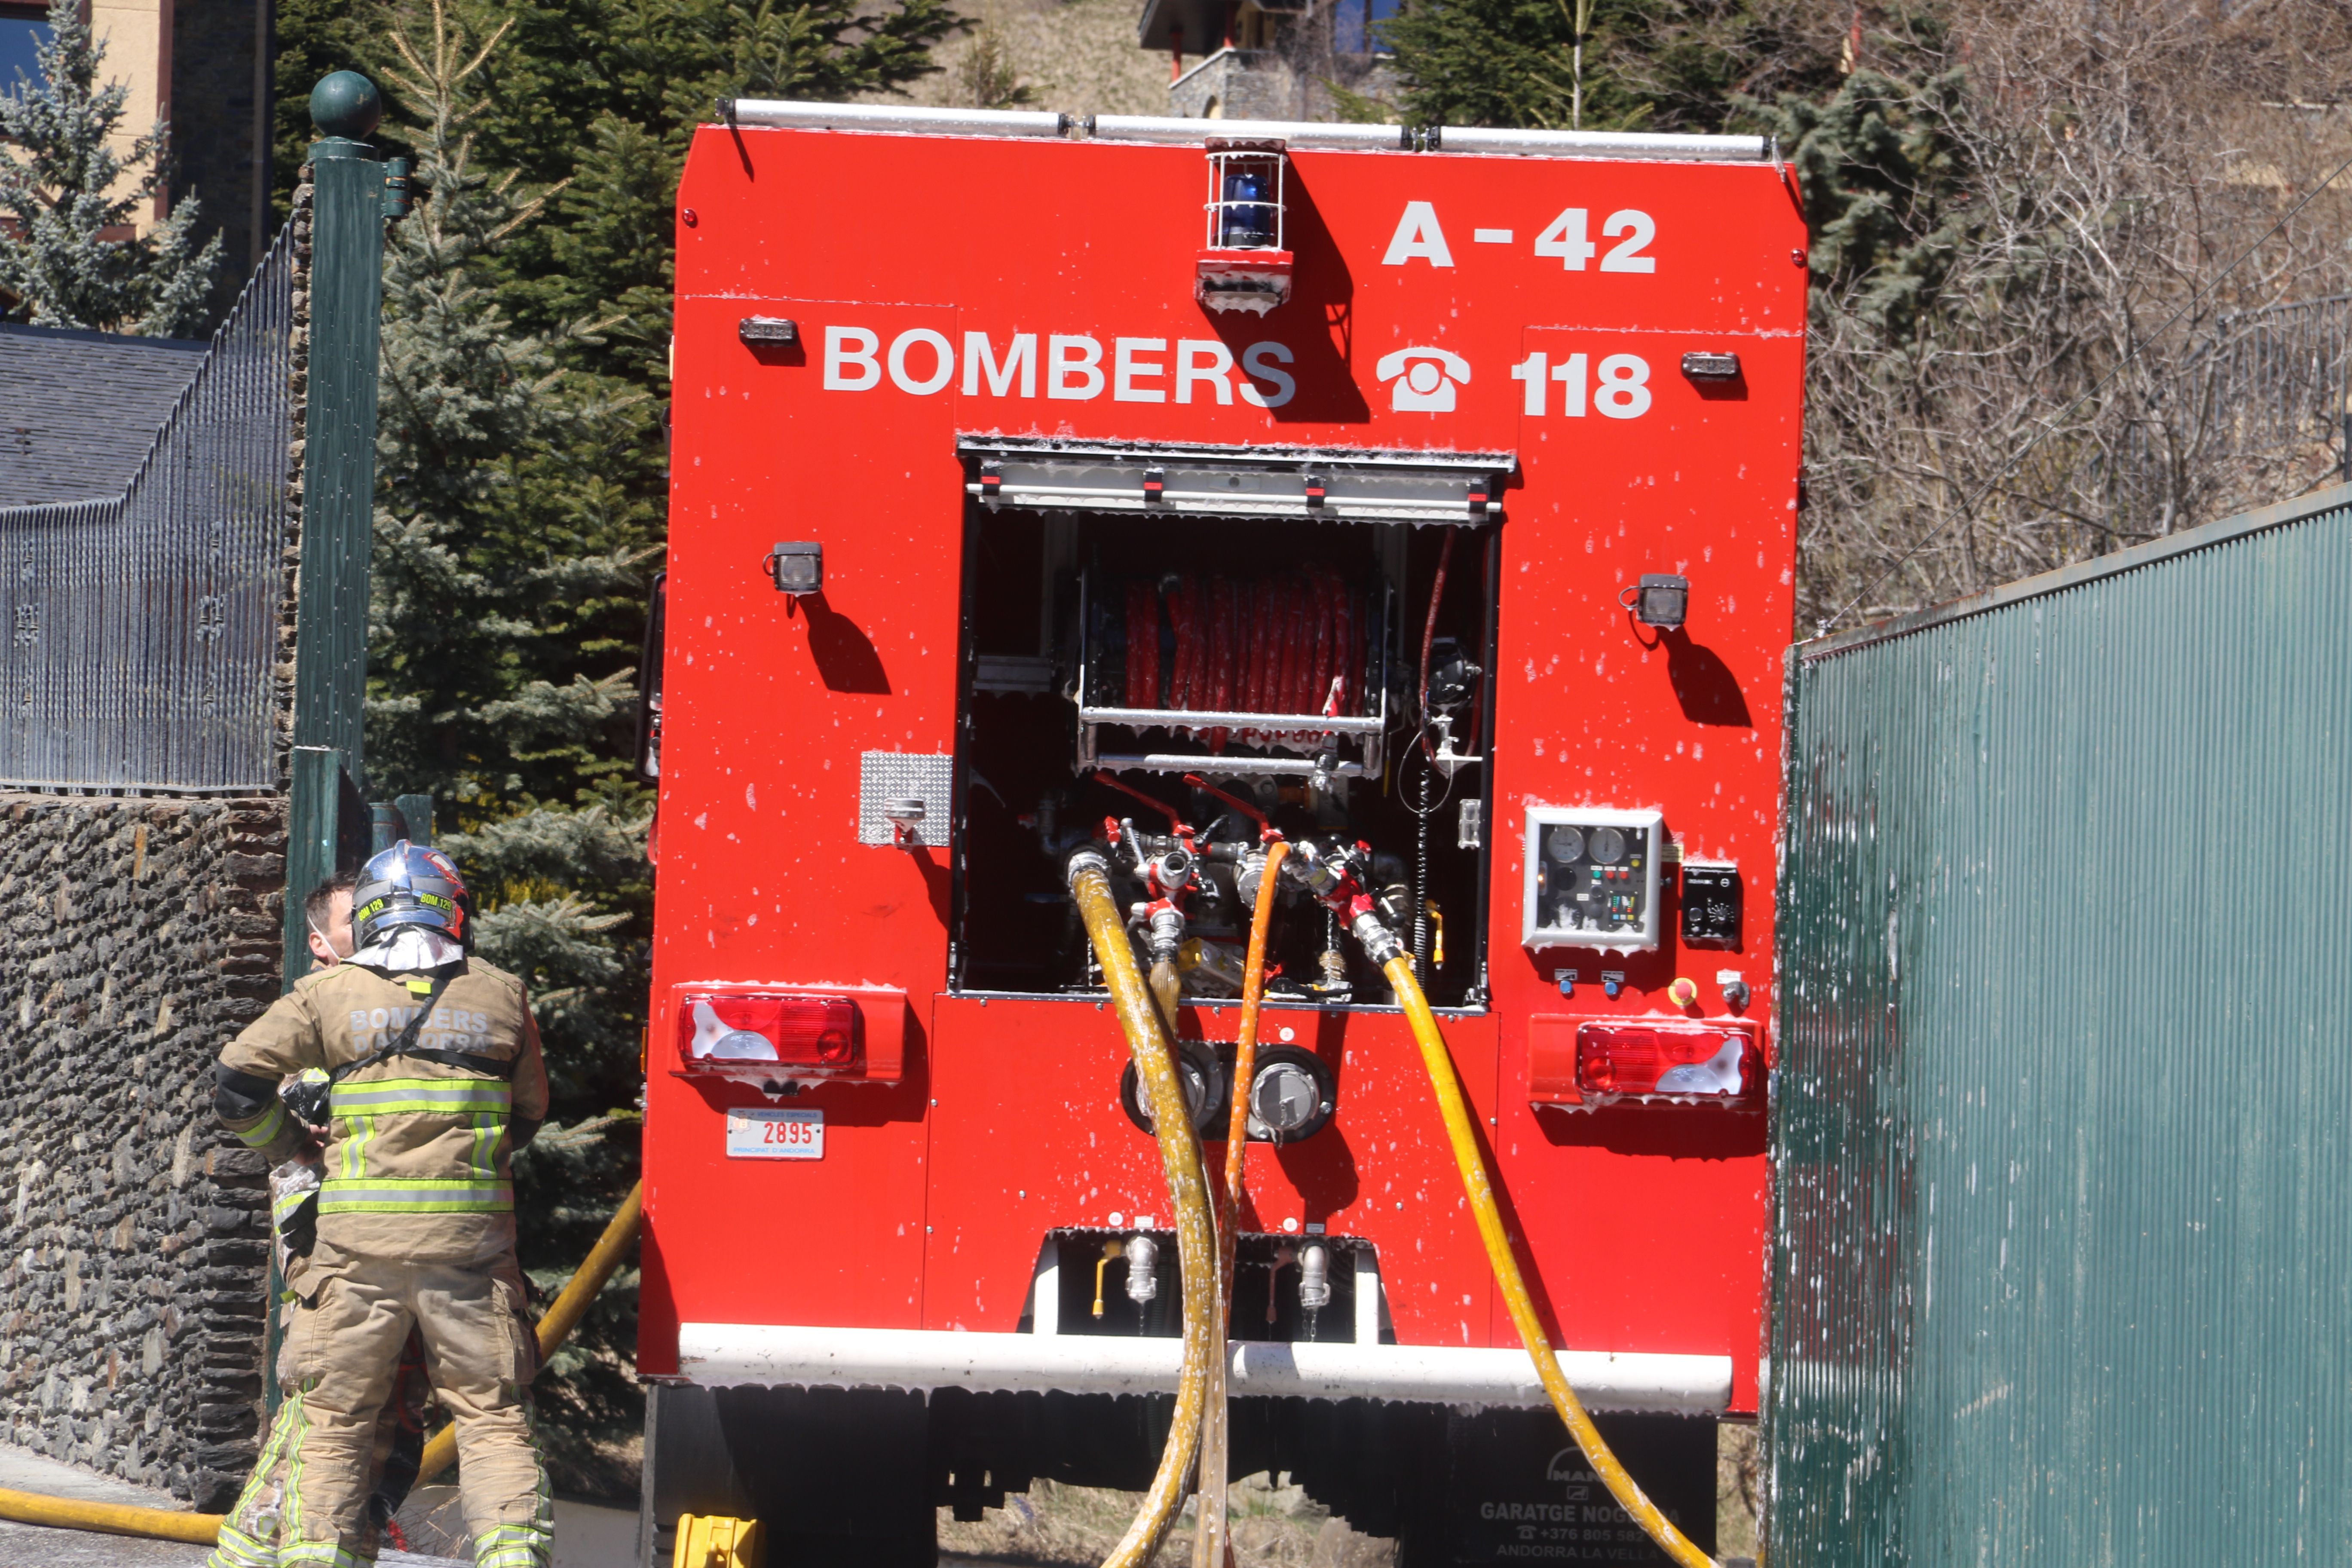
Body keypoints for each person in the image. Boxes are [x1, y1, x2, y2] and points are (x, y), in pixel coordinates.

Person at [213, 844, 553, 1568]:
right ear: (455, 912)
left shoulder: (327, 995)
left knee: (334, 1423)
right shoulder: (501, 994)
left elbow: (236, 1088)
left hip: (353, 1256)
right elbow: (528, 1115)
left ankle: (312, 1558)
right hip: (470, 1255)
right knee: (493, 1420)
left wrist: (295, 1149)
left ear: (369, 917)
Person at [209, 873, 435, 1568]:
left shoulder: (363, 1008)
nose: (378, 933)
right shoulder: (324, 1017)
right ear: (319, 943)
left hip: (357, 1254)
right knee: (360, 1428)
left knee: (324, 1421)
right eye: (355, 923)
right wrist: (300, 1147)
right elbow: (252, 1098)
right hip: (343, 1257)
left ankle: (253, 1551)